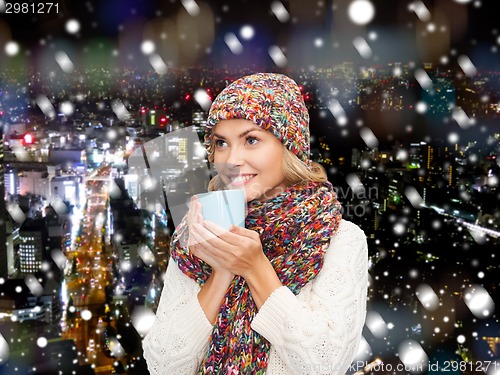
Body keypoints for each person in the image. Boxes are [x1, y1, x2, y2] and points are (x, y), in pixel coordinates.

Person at [142, 72, 368, 375]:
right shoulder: (197, 232)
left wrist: (254, 267)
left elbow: (324, 364)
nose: (232, 159)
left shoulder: (340, 240)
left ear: (289, 147)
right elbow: (163, 365)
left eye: (251, 140)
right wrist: (221, 270)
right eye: (221, 143)